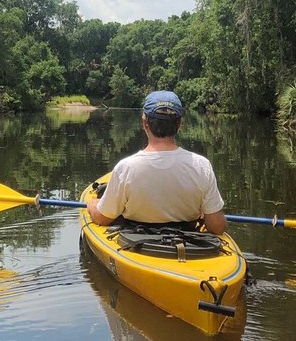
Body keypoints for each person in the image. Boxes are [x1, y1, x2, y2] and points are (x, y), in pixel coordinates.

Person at [85, 90, 227, 234]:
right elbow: (217, 227)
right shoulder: (202, 166)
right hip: (189, 241)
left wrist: (92, 205)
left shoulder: (126, 168)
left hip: (137, 244)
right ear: (179, 124)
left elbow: (103, 219)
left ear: (145, 123)